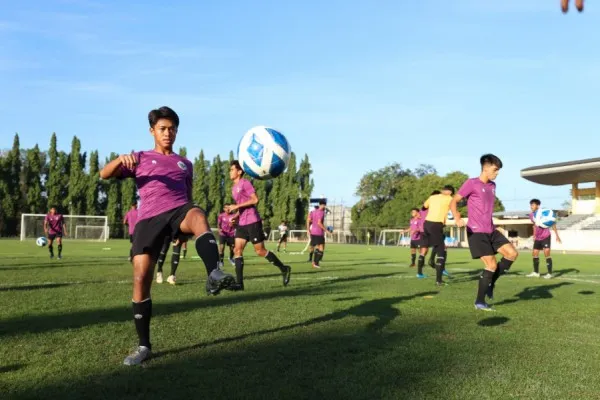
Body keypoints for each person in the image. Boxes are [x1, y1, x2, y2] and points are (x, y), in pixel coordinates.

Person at [99, 106, 235, 366]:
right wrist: (120, 160)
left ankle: (213, 273)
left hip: (179, 211)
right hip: (149, 219)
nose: (168, 133)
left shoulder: (185, 163)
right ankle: (143, 346)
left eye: (172, 128)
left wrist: (184, 232)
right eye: (162, 128)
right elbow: (104, 174)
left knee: (198, 214)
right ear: (152, 131)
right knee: (140, 279)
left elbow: (189, 196)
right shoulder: (139, 158)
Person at [450, 154, 519, 312]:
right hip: (476, 231)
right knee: (491, 264)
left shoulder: (492, 185)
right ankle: (479, 302)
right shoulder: (471, 183)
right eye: (495, 169)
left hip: (491, 229)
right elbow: (454, 201)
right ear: (485, 168)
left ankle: (491, 283)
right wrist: (457, 216)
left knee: (512, 254)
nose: (497, 173)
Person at [226, 160, 291, 291]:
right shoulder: (234, 188)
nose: (230, 172)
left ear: (239, 171)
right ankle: (239, 284)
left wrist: (236, 206)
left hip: (252, 221)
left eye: (232, 169)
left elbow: (255, 199)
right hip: (242, 223)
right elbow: (242, 206)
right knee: (237, 250)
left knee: (260, 251)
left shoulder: (245, 183)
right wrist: (235, 216)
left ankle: (284, 268)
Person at [421, 185, 454, 285]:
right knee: (442, 251)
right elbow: (453, 212)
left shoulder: (432, 197)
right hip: (436, 224)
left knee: (438, 243)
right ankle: (438, 280)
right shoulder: (450, 199)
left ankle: (431, 259)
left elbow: (423, 208)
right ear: (450, 192)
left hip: (426, 224)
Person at [527, 199, 562, 279]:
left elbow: (552, 223)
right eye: (531, 205)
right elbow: (534, 225)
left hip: (546, 236)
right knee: (535, 254)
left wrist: (557, 235)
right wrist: (534, 235)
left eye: (533, 205)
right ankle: (536, 272)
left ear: (538, 206)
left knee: (547, 253)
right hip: (538, 237)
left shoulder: (544, 213)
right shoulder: (531, 215)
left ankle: (549, 273)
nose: (531, 206)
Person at [308, 200, 327, 269]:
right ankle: (315, 263)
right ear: (323, 205)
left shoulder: (313, 211)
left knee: (317, 247)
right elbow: (319, 223)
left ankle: (315, 262)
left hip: (313, 232)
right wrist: (326, 230)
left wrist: (308, 229)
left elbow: (309, 220)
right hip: (319, 232)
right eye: (324, 205)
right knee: (321, 249)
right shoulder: (321, 212)